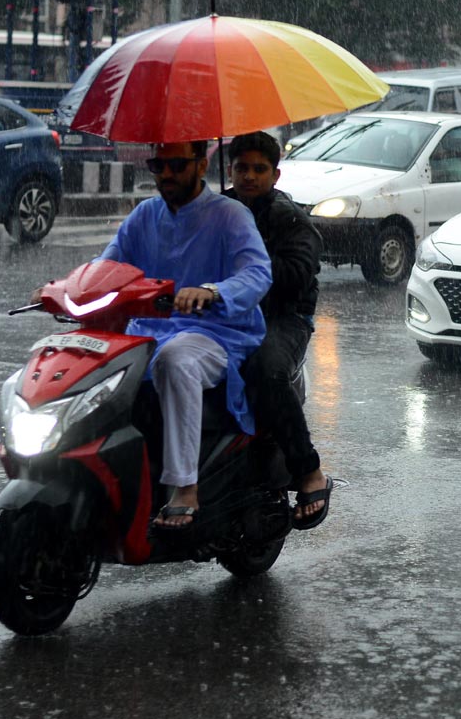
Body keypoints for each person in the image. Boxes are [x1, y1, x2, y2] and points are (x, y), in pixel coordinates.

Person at [98, 141, 272, 532]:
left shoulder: (231, 216)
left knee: (175, 360)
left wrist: (213, 291)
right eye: (159, 165)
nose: (167, 174)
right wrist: (66, 288)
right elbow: (107, 265)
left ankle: (185, 486)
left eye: (177, 164)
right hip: (148, 333)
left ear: (201, 163)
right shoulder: (145, 215)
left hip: (218, 333)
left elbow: (258, 274)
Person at [223, 131, 334, 530]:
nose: (249, 177)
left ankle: (308, 471)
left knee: (267, 370)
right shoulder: (217, 210)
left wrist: (250, 262)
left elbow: (297, 274)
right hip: (224, 313)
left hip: (283, 317)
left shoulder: (288, 217)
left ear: (275, 174)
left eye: (259, 169)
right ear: (230, 170)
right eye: (241, 168)